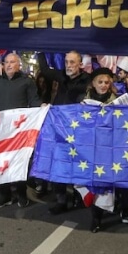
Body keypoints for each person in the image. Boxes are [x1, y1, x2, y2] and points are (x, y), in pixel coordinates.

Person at [0, 52, 41, 207]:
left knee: (19, 162)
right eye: (7, 62)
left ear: (18, 65)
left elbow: (34, 101)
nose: (9, 65)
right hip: (1, 129)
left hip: (19, 130)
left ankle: (21, 194)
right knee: (0, 162)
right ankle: (5, 194)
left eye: (12, 62)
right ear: (3, 65)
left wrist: (42, 107)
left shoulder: (27, 82)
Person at [38, 51, 91, 213]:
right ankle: (61, 200)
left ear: (80, 64)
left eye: (72, 62)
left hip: (77, 131)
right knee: (58, 166)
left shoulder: (88, 80)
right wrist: (39, 49)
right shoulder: (62, 76)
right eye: (67, 62)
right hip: (58, 130)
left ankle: (78, 196)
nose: (68, 65)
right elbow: (46, 70)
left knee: (76, 165)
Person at [79, 67, 120, 232]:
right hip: (88, 148)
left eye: (106, 82)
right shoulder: (83, 100)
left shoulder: (117, 101)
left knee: (104, 183)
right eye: (100, 82)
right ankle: (93, 210)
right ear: (93, 83)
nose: (103, 85)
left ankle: (97, 217)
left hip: (107, 149)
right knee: (89, 181)